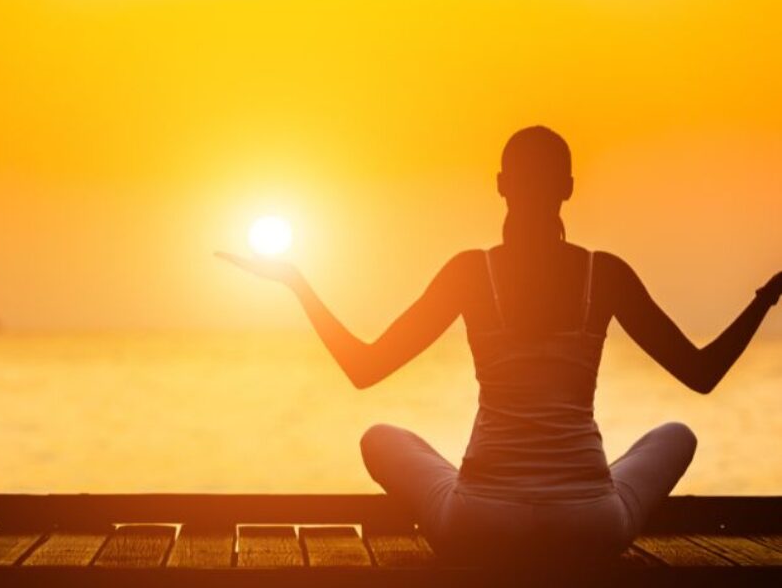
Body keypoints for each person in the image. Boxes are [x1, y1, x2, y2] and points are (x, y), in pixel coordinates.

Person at [216, 126, 781, 570]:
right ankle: (585, 486)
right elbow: (702, 373)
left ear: (501, 184)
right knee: (677, 436)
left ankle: (536, 495)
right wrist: (765, 298)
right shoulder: (603, 275)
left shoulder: (469, 273)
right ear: (568, 188)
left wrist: (297, 283)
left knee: (379, 439)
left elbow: (364, 369)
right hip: (589, 525)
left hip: (479, 522)